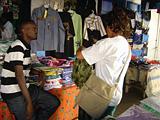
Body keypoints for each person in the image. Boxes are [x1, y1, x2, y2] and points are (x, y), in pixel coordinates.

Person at [76, 7, 132, 120]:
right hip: (114, 95)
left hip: (99, 95)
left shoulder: (106, 43)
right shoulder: (126, 45)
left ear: (110, 26)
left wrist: (81, 47)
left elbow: (80, 56)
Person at [0, 20, 60, 120]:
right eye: (34, 28)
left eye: (36, 28)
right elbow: (19, 75)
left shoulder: (26, 46)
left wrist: (39, 72)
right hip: (13, 92)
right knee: (29, 116)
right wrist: (29, 103)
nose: (36, 31)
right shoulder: (17, 46)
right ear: (24, 30)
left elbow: (24, 68)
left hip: (24, 88)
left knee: (53, 103)